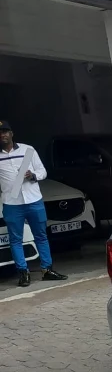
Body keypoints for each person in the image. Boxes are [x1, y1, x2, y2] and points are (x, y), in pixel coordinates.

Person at [0, 121, 67, 287]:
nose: (3, 135)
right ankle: (23, 273)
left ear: (12, 133)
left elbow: (42, 171)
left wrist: (33, 175)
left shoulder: (27, 150)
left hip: (33, 200)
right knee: (15, 239)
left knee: (41, 236)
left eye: (5, 131)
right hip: (11, 203)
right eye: (0, 132)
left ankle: (47, 270)